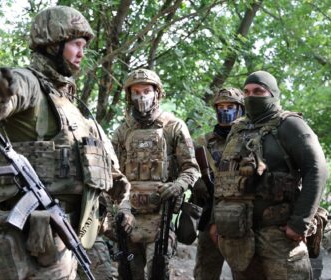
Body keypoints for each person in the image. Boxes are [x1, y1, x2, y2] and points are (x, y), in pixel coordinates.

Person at [0, 6, 134, 280]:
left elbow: (95, 165)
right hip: (35, 239)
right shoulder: (29, 83)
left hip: (72, 232)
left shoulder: (71, 103)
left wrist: (120, 198)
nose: (82, 53)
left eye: (83, 46)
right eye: (75, 45)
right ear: (52, 45)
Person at [209, 71, 328, 279]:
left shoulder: (290, 124)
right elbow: (223, 178)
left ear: (272, 94)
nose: (251, 96)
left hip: (280, 236)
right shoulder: (238, 129)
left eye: (258, 91)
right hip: (239, 235)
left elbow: (316, 169)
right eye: (246, 92)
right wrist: (215, 220)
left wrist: (299, 223)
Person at [111, 68, 200, 279]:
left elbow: (191, 168)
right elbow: (111, 173)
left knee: (158, 273)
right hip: (128, 217)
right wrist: (116, 210)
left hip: (161, 218)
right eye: (136, 92)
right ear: (129, 96)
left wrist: (178, 185)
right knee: (129, 274)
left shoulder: (173, 127)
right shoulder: (123, 131)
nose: (141, 97)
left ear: (157, 93)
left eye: (146, 91)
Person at [192, 87, 244, 280]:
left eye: (230, 106)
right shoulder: (203, 143)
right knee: (206, 271)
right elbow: (187, 170)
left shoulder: (250, 140)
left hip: (241, 216)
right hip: (210, 214)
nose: (225, 110)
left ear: (241, 109)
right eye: (221, 106)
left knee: (244, 270)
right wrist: (199, 183)